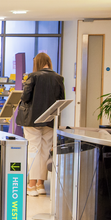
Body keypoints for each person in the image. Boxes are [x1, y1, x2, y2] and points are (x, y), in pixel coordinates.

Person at [18, 52, 65, 196]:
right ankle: (41, 185)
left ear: (37, 63)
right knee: (45, 152)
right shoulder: (59, 78)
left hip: (32, 120)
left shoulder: (33, 76)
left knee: (33, 150)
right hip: (50, 120)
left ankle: (31, 186)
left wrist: (24, 85)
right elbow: (61, 100)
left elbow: (25, 97)